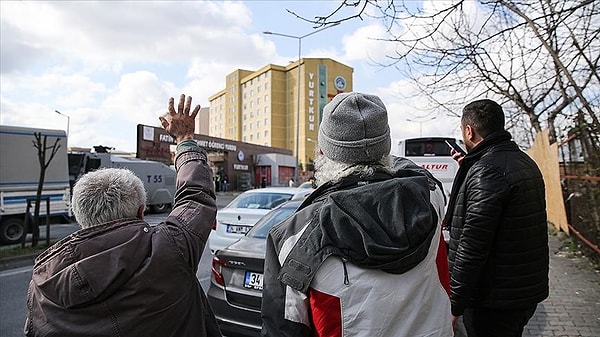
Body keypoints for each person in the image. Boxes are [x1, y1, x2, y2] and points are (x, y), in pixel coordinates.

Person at [24, 94, 222, 337]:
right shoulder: (169, 250)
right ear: (141, 212)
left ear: (80, 218)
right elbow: (196, 196)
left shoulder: (42, 281)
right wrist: (184, 139)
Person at [261, 92, 452, 337]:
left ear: (322, 152)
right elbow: (413, 170)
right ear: (387, 148)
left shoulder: (291, 240)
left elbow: (284, 330)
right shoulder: (430, 197)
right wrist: (372, 147)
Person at [445, 99, 549, 337]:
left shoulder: (488, 171)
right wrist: (470, 166)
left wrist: (455, 304)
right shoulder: (522, 161)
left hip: (494, 299)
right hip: (520, 292)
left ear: (469, 131)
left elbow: (473, 245)